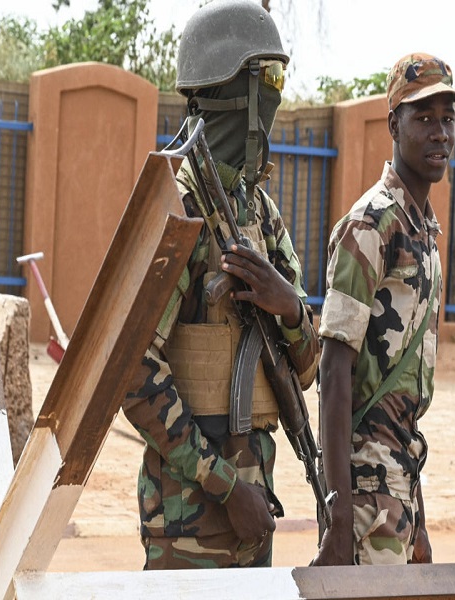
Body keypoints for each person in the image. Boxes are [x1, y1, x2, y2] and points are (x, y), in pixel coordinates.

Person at [122, 0, 319, 570]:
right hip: (189, 523)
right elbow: (133, 375)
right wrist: (225, 486)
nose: (277, 95)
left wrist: (289, 310)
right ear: (233, 90)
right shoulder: (176, 211)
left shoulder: (261, 215)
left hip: (255, 511)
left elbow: (306, 370)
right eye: (268, 78)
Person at [311, 53, 455, 566]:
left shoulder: (422, 230)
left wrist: (418, 518)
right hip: (364, 487)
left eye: (447, 119)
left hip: (401, 481)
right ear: (394, 127)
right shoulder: (371, 226)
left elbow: (404, 398)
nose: (440, 133)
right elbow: (333, 372)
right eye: (424, 118)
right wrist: (338, 517)